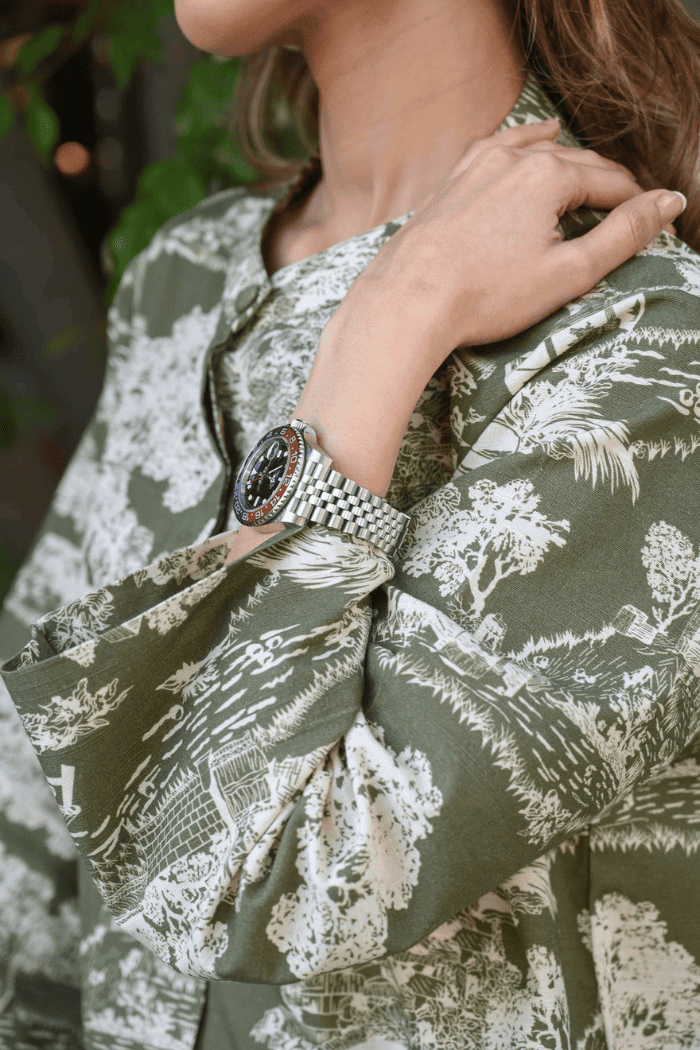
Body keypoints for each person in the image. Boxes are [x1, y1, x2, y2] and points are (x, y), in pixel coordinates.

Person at [0, 0, 699, 1046]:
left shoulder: (642, 349)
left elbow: (274, 877)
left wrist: (389, 322)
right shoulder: (183, 284)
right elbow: (32, 808)